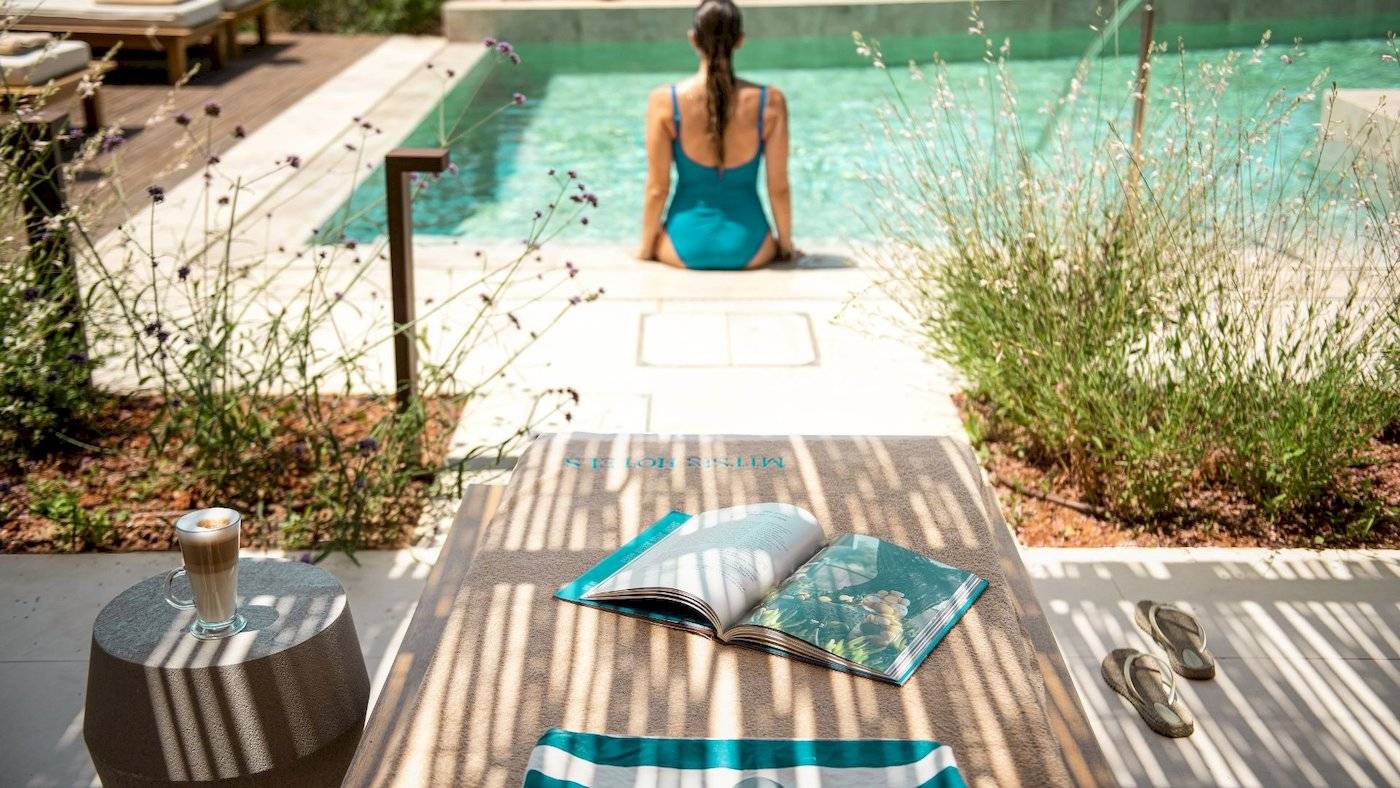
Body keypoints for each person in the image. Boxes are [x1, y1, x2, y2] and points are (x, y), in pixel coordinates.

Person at [637, 0, 796, 270]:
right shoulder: (769, 101)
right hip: (752, 246)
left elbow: (657, 189)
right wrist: (785, 247)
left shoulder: (665, 101)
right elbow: (778, 188)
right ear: (740, 40)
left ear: (693, 39)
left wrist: (645, 250)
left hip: (681, 246)